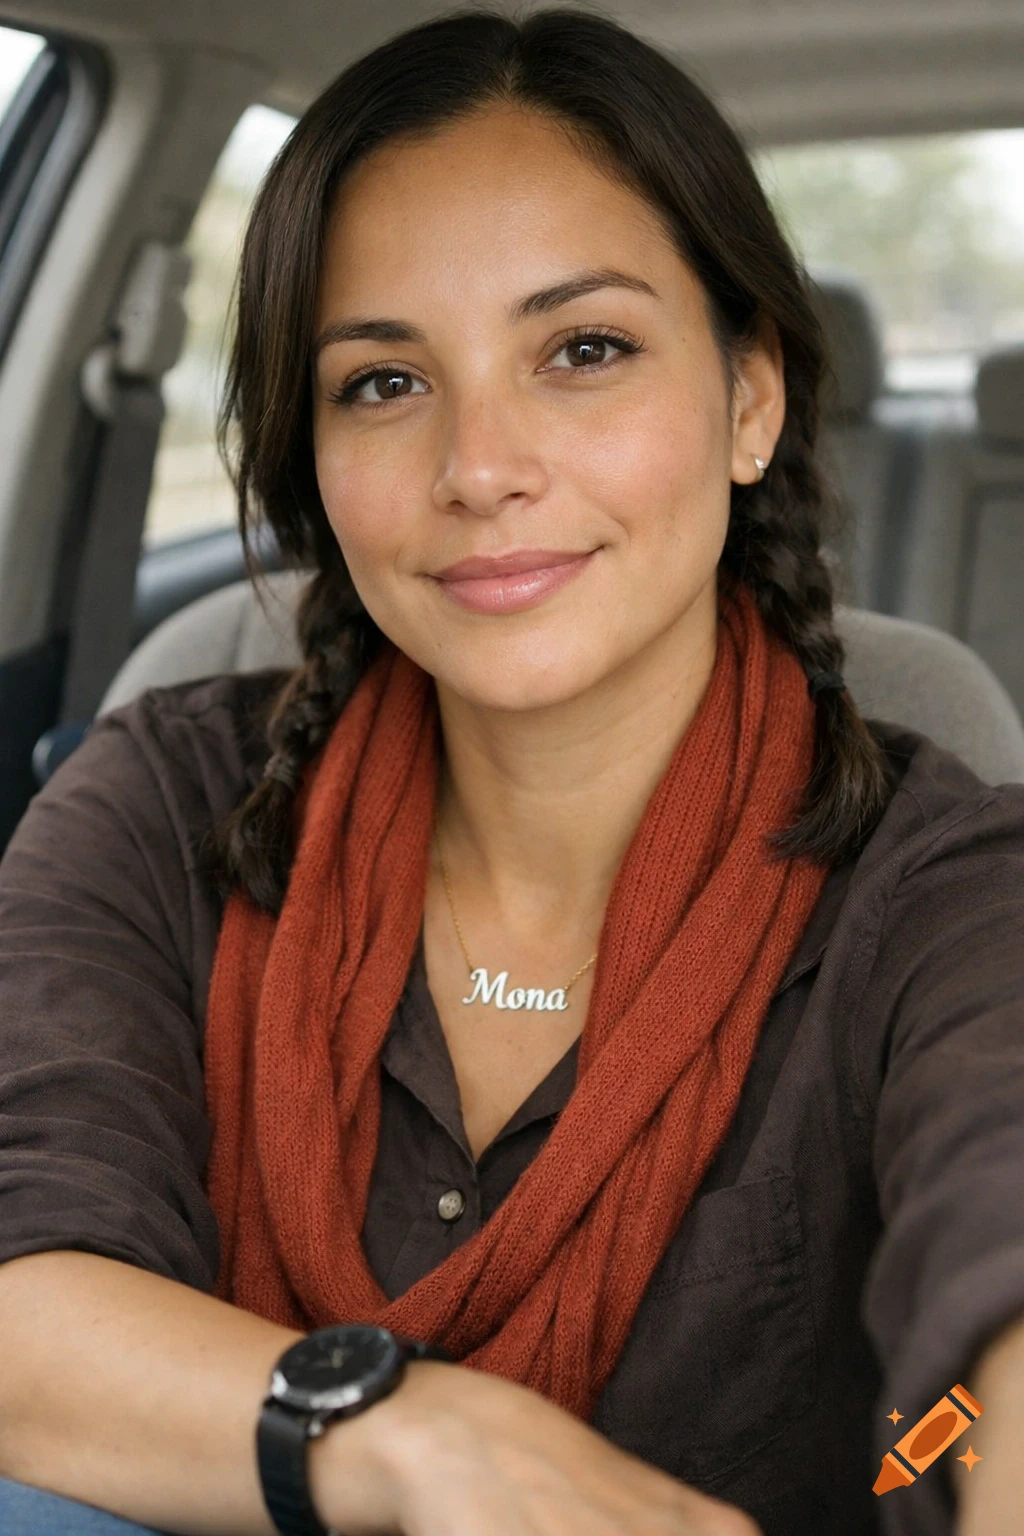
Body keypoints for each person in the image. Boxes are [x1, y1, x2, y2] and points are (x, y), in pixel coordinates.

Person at [0, 6, 1022, 1535]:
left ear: (750, 399)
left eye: (585, 349)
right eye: (384, 382)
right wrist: (413, 1438)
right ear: (315, 461)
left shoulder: (939, 892)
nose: (480, 466)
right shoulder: (158, 806)